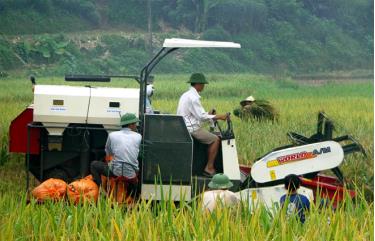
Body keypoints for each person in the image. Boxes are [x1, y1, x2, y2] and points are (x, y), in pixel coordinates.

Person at [177, 73, 228, 177]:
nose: (204, 86)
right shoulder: (193, 98)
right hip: (191, 128)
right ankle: (209, 168)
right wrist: (220, 116)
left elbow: (198, 115)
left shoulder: (186, 95)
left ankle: (208, 167)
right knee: (215, 139)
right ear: (198, 84)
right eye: (203, 84)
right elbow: (201, 117)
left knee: (212, 137)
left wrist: (209, 114)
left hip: (185, 125)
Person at [90, 113, 142, 188]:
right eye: (135, 124)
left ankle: (101, 190)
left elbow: (108, 153)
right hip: (131, 175)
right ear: (130, 125)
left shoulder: (112, 135)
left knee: (93, 164)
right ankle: (135, 194)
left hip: (115, 172)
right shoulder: (138, 136)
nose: (136, 126)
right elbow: (137, 153)